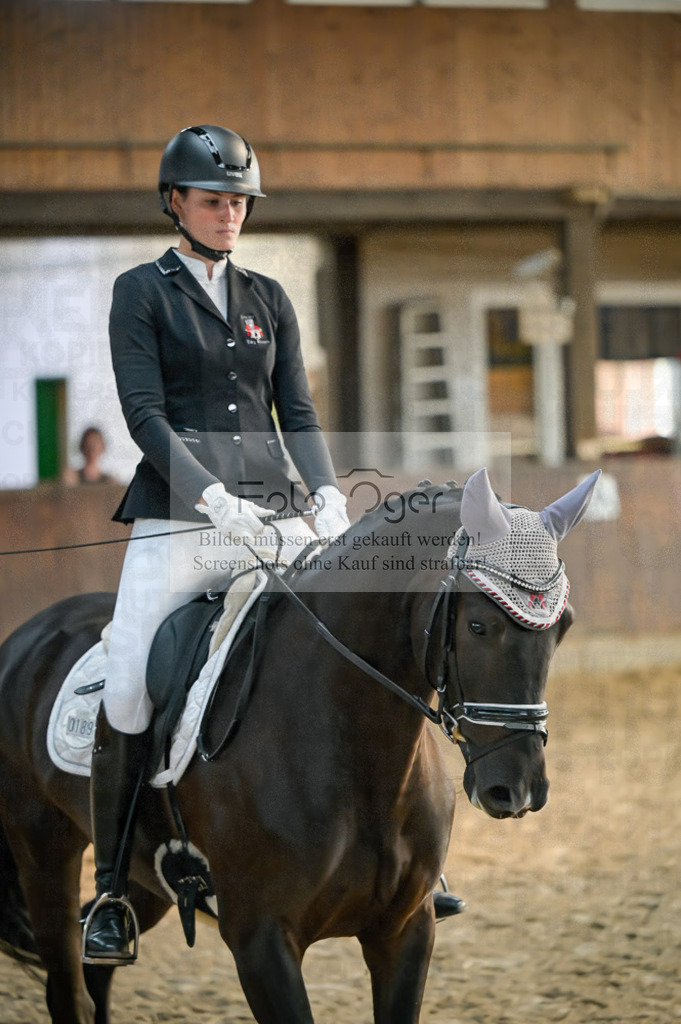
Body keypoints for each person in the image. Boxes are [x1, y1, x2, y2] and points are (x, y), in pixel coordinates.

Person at [82, 125, 350, 965]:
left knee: (348, 639)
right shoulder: (142, 291)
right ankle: (112, 893)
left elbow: (295, 413)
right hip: (178, 518)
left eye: (239, 202)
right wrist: (211, 498)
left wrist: (328, 494)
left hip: (274, 515)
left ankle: (392, 846)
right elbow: (145, 416)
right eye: (212, 200)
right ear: (175, 202)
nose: (229, 213)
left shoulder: (268, 297)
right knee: (128, 682)